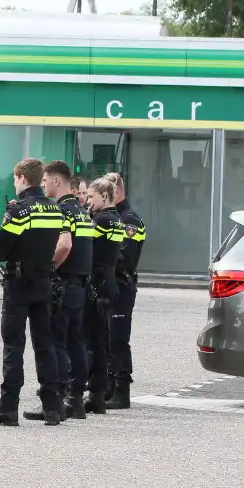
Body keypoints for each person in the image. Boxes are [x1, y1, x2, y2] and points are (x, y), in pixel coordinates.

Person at [0, 159, 69, 427]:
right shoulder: (56, 211)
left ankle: (8, 409)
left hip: (19, 285)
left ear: (21, 178)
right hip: (44, 282)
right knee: (45, 346)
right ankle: (53, 408)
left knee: (13, 346)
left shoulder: (19, 211)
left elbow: (0, 251)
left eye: (15, 178)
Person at [25, 161, 94, 422]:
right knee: (76, 342)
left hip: (63, 284)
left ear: (55, 181)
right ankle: (75, 398)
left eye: (44, 181)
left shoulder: (61, 211)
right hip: (80, 284)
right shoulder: (82, 210)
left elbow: (64, 247)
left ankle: (59, 397)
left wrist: (48, 267)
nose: (43, 185)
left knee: (56, 342)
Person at [83, 176, 126, 414]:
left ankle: (93, 392)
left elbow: (86, 247)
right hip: (108, 280)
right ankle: (98, 393)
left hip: (97, 281)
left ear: (105, 196)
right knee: (100, 340)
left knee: (92, 341)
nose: (89, 201)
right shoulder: (116, 219)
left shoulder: (101, 221)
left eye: (92, 197)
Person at [105, 171, 146, 410]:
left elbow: (124, 257)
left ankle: (122, 390)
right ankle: (109, 384)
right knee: (107, 338)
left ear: (117, 191)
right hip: (110, 285)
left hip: (121, 285)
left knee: (118, 339)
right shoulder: (111, 217)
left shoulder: (130, 220)